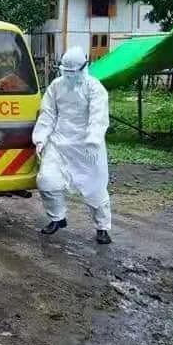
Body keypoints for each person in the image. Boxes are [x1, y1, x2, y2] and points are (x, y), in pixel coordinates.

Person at [32, 46, 112, 244]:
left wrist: (93, 141)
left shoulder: (94, 88)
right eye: (65, 71)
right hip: (60, 142)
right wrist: (41, 138)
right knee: (46, 180)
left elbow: (98, 116)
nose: (68, 75)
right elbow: (48, 113)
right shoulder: (56, 86)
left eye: (72, 71)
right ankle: (57, 218)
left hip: (87, 146)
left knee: (95, 189)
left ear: (84, 68)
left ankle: (102, 227)